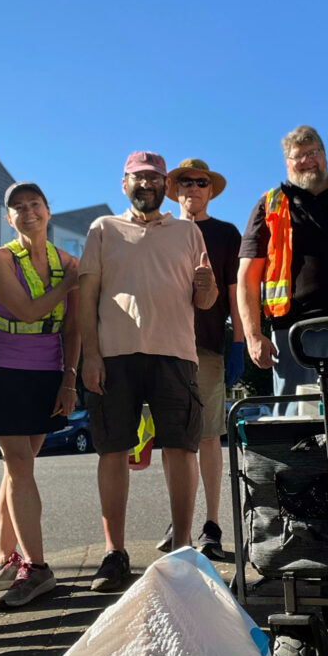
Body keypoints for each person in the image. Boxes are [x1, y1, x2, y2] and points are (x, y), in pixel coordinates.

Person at [78, 151, 217, 592]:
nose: (147, 184)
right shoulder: (103, 229)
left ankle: (181, 548)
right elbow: (86, 297)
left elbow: (206, 299)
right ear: (124, 184)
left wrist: (208, 287)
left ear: (166, 187)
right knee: (112, 450)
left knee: (181, 448)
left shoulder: (189, 231)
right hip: (115, 355)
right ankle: (113, 553)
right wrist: (91, 355)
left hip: (175, 353)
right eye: (138, 178)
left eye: (155, 178)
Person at [0, 181, 81, 608]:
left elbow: (73, 328)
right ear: (8, 218)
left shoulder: (67, 262)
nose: (27, 212)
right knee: (18, 462)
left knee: (18, 466)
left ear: (47, 211)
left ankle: (2, 560)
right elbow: (27, 310)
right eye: (17, 207)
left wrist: (68, 380)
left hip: (48, 370)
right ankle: (36, 569)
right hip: (3, 365)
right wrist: (69, 285)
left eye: (34, 204)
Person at [237, 126, 328, 408]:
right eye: (299, 156)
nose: (307, 160)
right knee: (296, 424)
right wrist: (253, 335)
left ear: (325, 155)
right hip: (294, 333)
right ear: (287, 163)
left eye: (313, 152)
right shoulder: (270, 205)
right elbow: (247, 277)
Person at [155, 158, 244, 560]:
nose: (193, 187)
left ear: (210, 190)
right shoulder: (159, 231)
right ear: (174, 190)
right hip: (162, 348)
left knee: (208, 436)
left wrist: (239, 341)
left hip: (207, 347)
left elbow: (235, 290)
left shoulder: (225, 233)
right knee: (174, 440)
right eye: (185, 182)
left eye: (201, 182)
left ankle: (211, 524)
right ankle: (181, 522)